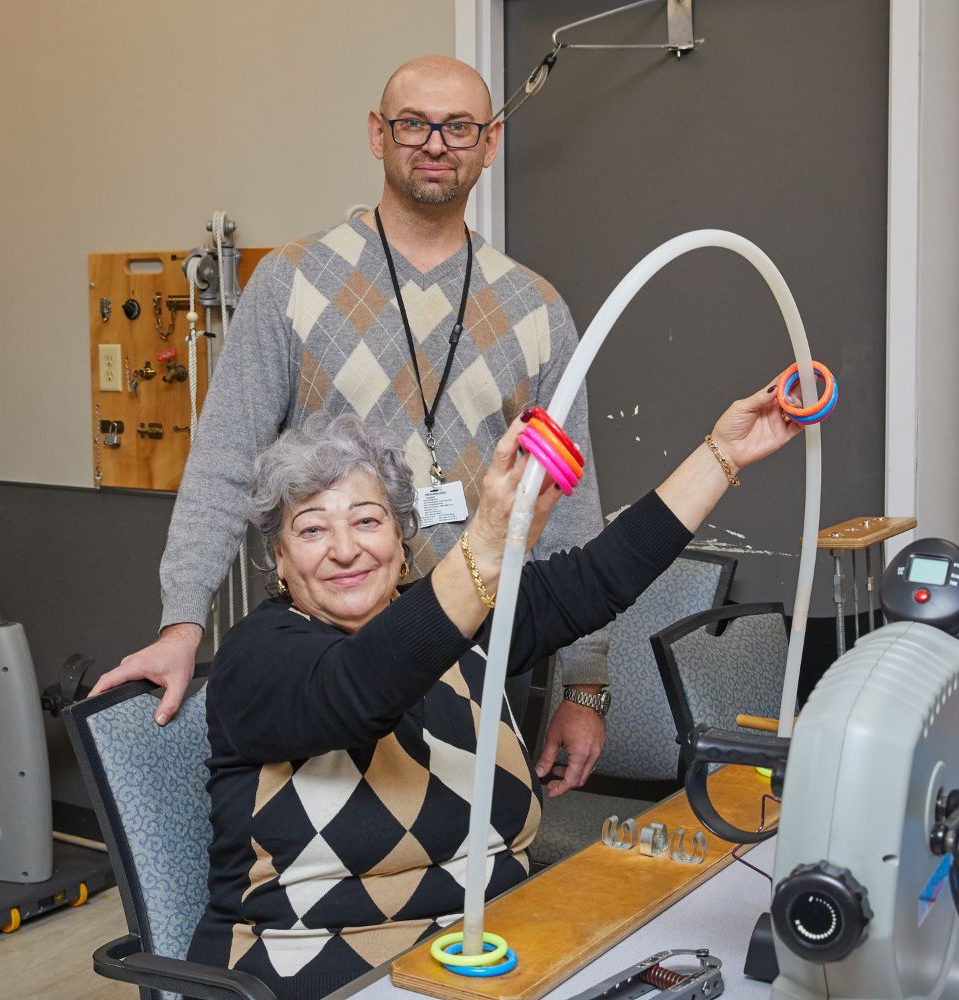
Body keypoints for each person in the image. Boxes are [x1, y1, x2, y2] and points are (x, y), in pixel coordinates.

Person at [90, 55, 610, 796]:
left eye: (458, 126)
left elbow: (572, 515)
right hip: (326, 658)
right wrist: (183, 625)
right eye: (413, 124)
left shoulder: (538, 309)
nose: (436, 143)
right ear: (377, 134)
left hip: (480, 657)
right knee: (331, 869)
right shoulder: (292, 283)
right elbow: (223, 463)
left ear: (489, 143)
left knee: (473, 870)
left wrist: (585, 687)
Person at [187, 377, 800, 999]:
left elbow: (601, 576)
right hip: (316, 972)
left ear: (401, 542)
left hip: (499, 958)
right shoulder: (257, 657)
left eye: (367, 520)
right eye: (312, 530)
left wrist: (722, 455)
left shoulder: (472, 615)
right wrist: (486, 541)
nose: (346, 549)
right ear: (280, 559)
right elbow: (360, 691)